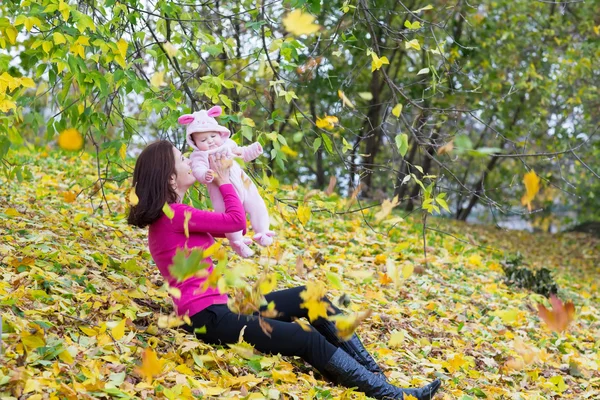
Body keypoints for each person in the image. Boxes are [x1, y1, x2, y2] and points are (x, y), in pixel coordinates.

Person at [127, 140, 441, 400]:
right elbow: (235, 221)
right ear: (171, 178)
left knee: (310, 296)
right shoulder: (175, 215)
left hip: (220, 310)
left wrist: (231, 177)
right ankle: (394, 395)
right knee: (303, 337)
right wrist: (223, 179)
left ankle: (376, 377)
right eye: (182, 159)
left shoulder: (174, 217)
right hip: (210, 320)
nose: (189, 160)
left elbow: (234, 226)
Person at [177, 105, 275, 258]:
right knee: (226, 214)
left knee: (257, 203)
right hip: (220, 190)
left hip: (243, 182)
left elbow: (242, 153)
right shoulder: (199, 156)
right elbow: (197, 169)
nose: (210, 142)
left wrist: (254, 150)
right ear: (195, 143)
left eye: (213, 136)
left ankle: (262, 231)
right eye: (203, 139)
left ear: (220, 134)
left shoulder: (228, 145)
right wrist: (205, 174)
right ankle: (237, 242)